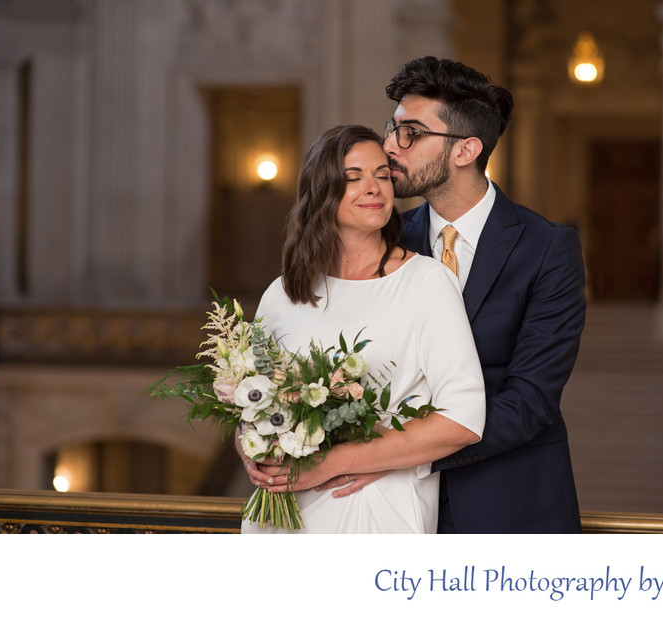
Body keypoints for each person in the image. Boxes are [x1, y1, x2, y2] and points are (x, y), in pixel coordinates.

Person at [238, 124, 485, 533]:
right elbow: (248, 406)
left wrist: (332, 462)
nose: (374, 188)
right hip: (278, 517)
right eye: (354, 178)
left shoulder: (426, 282)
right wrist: (252, 453)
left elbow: (464, 419)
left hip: (373, 513)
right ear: (322, 191)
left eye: (383, 175)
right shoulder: (282, 293)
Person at [382, 56, 586, 533]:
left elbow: (531, 400)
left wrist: (399, 453)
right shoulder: (384, 240)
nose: (390, 147)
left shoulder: (548, 248)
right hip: (391, 505)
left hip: (510, 502)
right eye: (391, 130)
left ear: (465, 149)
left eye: (410, 132)